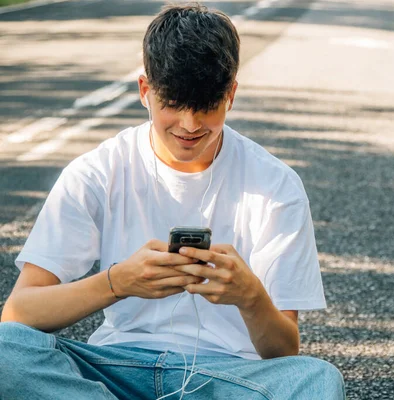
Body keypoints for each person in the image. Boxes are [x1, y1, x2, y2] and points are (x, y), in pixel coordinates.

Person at [0, 4, 345, 399]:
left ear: (230, 94)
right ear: (145, 90)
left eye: (206, 106)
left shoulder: (276, 185)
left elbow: (283, 351)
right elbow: (18, 314)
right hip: (116, 369)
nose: (190, 124)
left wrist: (251, 296)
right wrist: (117, 282)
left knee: (317, 379)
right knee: (5, 351)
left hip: (227, 378)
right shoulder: (97, 171)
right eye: (174, 104)